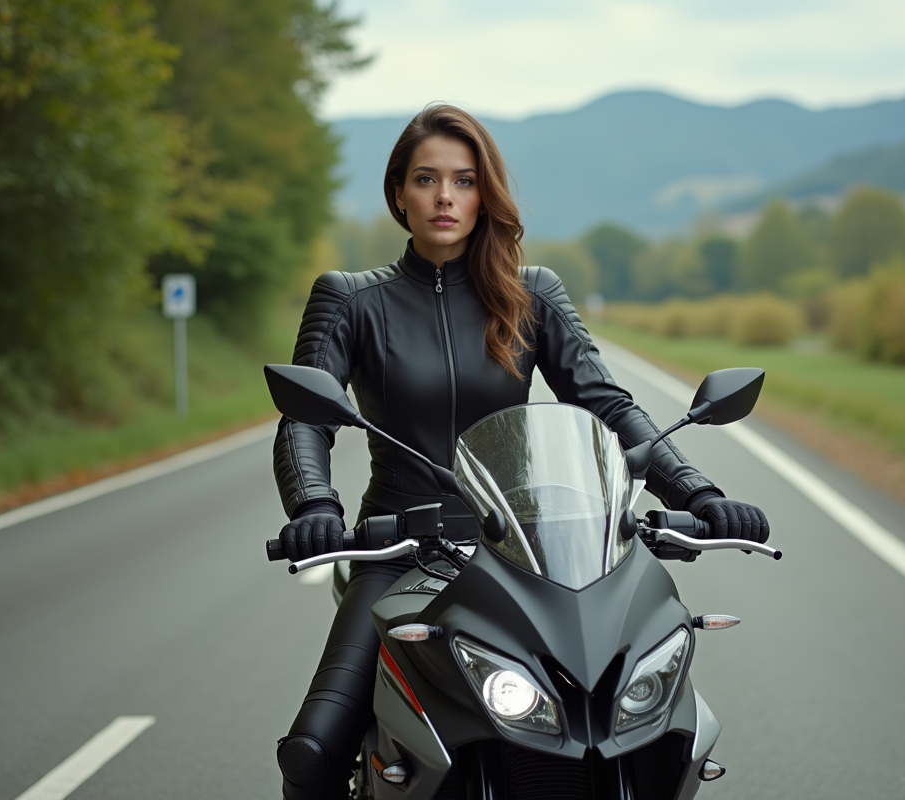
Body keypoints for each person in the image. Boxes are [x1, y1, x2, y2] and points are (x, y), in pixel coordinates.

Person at [271, 104, 770, 799]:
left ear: (486, 195)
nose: (445, 197)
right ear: (398, 194)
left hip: (524, 553)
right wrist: (315, 505)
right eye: (426, 179)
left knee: (644, 718)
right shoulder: (351, 301)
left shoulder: (532, 293)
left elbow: (607, 405)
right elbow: (304, 421)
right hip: (400, 553)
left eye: (464, 181)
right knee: (315, 750)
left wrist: (697, 493)